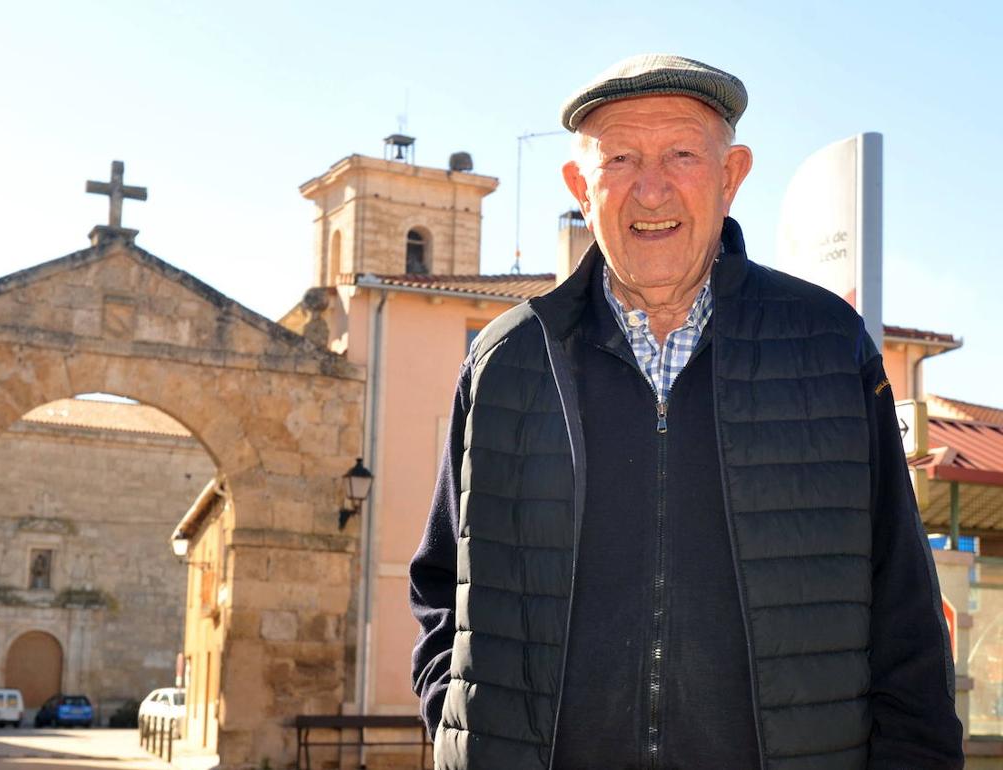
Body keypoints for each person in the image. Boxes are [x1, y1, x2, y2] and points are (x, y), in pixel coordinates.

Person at [409, 54, 963, 769]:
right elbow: (439, 591)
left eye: (681, 155)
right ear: (581, 186)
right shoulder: (507, 360)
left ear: (732, 176)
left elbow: (904, 612)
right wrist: (467, 733)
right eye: (621, 159)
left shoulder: (827, 346)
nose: (651, 188)